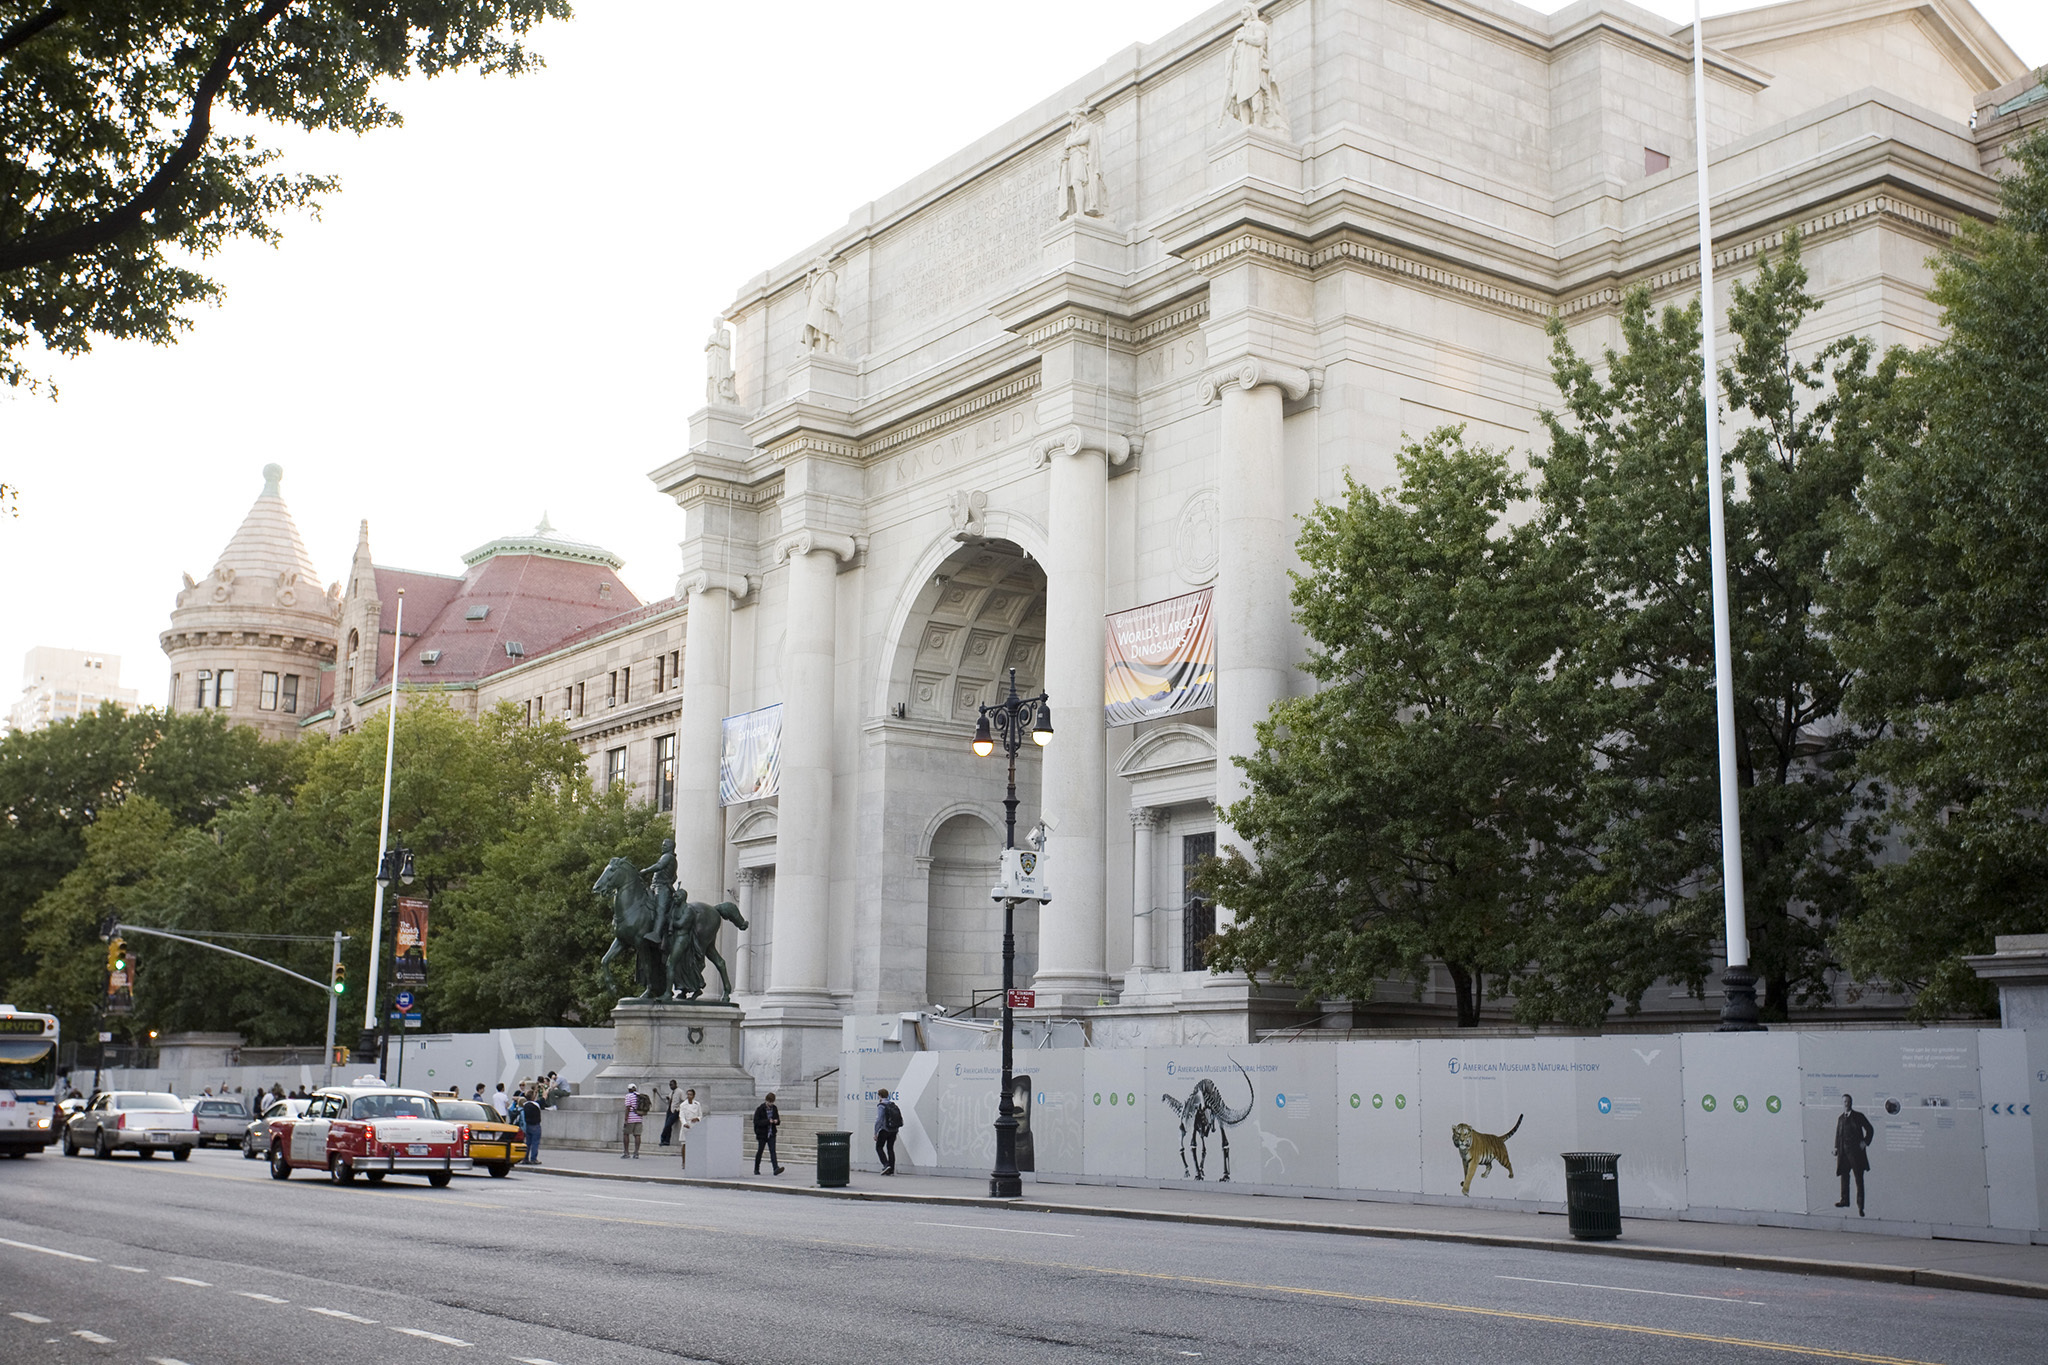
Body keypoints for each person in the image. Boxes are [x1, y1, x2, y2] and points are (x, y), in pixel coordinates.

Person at [1835, 1093, 1875, 1216]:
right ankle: (1844, 1200)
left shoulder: (1858, 1116)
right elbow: (1838, 1135)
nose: (1846, 1104)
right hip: (1844, 1153)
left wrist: (1865, 1142)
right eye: (1844, 1102)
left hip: (1856, 1153)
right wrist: (1836, 1148)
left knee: (1859, 1179)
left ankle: (1860, 1207)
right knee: (1844, 1177)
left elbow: (1870, 1129)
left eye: (1847, 1101)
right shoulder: (1841, 1118)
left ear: (1851, 1103)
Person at [641, 838, 679, 946]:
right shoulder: (669, 858)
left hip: (662, 887)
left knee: (660, 909)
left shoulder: (668, 857)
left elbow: (659, 866)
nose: (662, 847)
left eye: (664, 845)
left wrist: (645, 871)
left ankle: (656, 934)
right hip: (656, 886)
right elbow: (674, 876)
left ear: (670, 847)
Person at [753, 1092, 783, 1175]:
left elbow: (778, 1119)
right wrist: (767, 1121)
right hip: (762, 1134)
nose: (771, 1104)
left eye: (772, 1102)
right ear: (766, 1101)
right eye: (769, 1102)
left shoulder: (774, 1108)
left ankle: (775, 1168)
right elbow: (756, 1122)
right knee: (760, 1151)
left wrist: (776, 1121)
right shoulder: (760, 1109)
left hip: (771, 1133)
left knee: (773, 1151)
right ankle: (756, 1168)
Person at [874, 1087, 901, 1175]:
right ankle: (891, 1169)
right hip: (894, 1130)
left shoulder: (881, 1105)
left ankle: (886, 1165)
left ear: (880, 1095)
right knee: (890, 1148)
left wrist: (875, 1132)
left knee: (879, 1147)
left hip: (885, 1130)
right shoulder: (892, 1104)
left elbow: (879, 1120)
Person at [676, 1088, 702, 1171]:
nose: (689, 1096)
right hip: (686, 1125)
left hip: (695, 1125)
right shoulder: (683, 1105)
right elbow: (681, 1116)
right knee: (685, 1144)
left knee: (695, 1145)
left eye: (690, 1094)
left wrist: (697, 1118)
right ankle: (684, 1162)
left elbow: (700, 1115)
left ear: (694, 1096)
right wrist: (684, 1123)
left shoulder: (697, 1104)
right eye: (688, 1094)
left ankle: (695, 1161)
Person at [521, 1090, 543, 1165]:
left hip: (527, 1125)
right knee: (535, 1143)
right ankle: (533, 1159)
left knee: (528, 1143)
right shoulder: (536, 1104)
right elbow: (543, 1099)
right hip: (535, 1125)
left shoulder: (525, 1105)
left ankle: (525, 1158)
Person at [622, 1084, 645, 1159]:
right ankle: (636, 1152)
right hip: (639, 1118)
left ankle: (626, 1152)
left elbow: (628, 1108)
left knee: (626, 1134)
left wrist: (626, 1119)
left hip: (631, 1118)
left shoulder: (629, 1096)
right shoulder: (639, 1096)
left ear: (629, 1089)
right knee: (637, 1135)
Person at [659, 1080, 681, 1147]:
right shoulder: (671, 1093)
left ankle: (663, 1137)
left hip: (675, 1111)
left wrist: (679, 1108)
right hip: (669, 1110)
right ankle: (667, 1141)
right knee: (668, 1125)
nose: (671, 1086)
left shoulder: (680, 1092)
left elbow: (684, 1100)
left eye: (672, 1085)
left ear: (676, 1084)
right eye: (670, 1085)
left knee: (668, 1125)